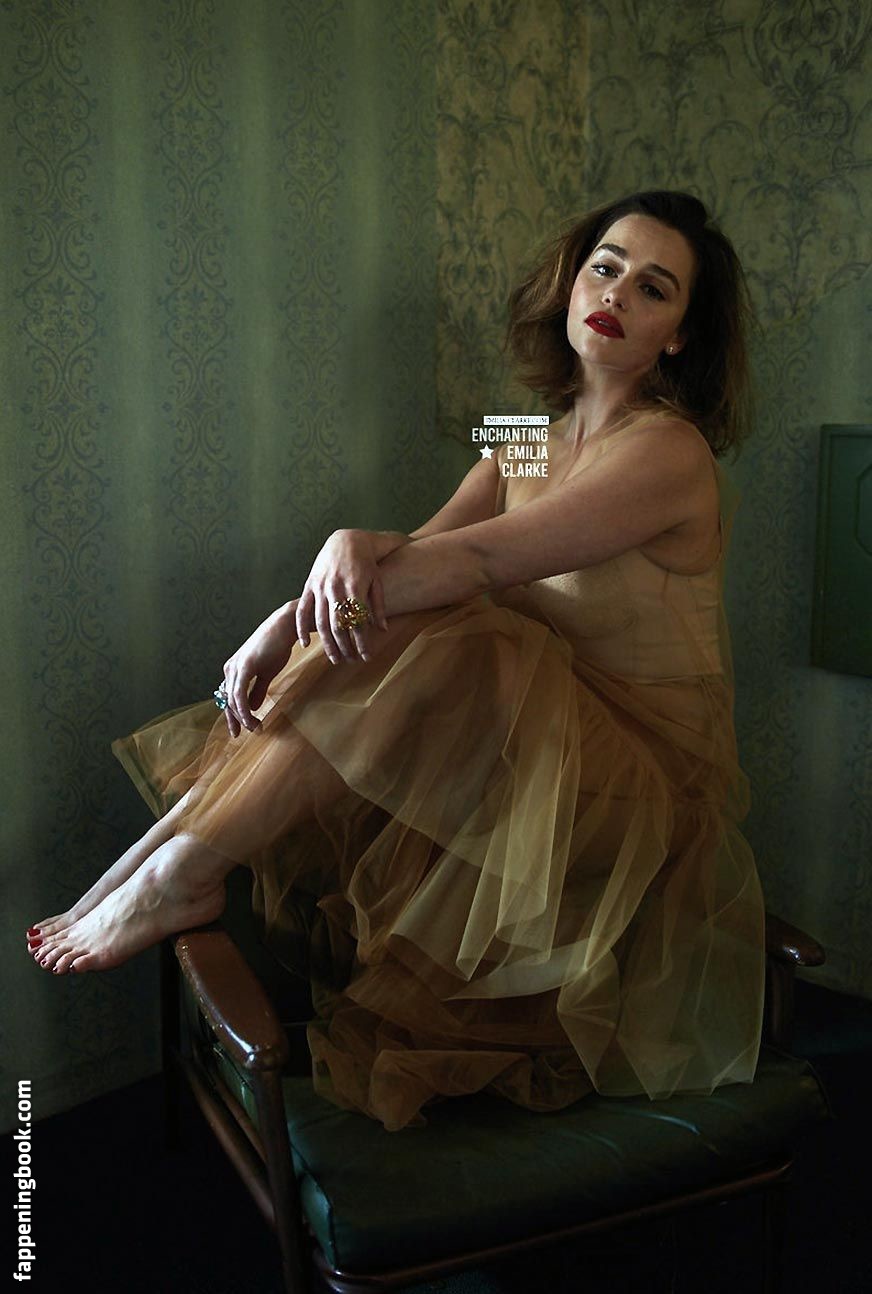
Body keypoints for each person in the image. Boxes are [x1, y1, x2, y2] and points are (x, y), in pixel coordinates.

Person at [27, 190, 764, 1131]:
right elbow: (420, 552)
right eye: (606, 266)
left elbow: (479, 562)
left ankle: (179, 867)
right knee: (395, 620)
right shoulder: (520, 437)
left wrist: (314, 586)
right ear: (573, 281)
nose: (616, 293)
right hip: (534, 756)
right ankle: (166, 857)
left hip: (636, 796)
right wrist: (319, 583)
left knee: (462, 632)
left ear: (678, 336)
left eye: (653, 289)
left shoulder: (671, 452)